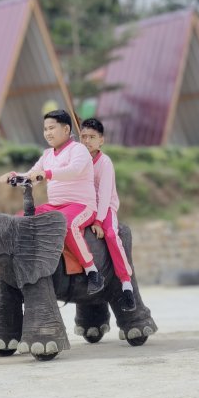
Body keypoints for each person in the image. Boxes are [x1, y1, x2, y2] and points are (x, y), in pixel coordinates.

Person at [0, 109, 104, 295]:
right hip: (54, 205)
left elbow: (74, 170)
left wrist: (47, 174)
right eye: (45, 129)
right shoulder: (47, 154)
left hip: (81, 205)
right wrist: (15, 176)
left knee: (66, 224)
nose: (47, 132)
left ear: (66, 130)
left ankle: (92, 271)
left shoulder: (79, 149)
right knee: (18, 219)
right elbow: (31, 175)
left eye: (51, 128)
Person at [80, 118, 136, 312]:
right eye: (83, 137)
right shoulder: (78, 159)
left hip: (104, 208)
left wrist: (98, 220)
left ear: (101, 140)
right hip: (83, 206)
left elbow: (104, 195)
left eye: (92, 137)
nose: (87, 141)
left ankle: (126, 284)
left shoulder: (105, 163)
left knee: (111, 234)